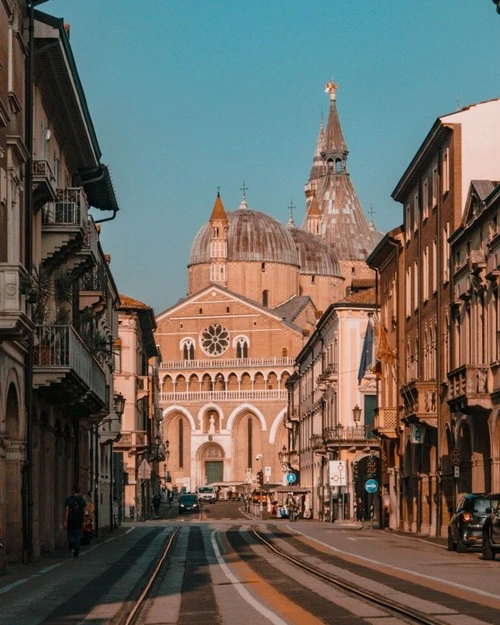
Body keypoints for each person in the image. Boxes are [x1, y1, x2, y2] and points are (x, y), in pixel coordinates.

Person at [64, 485, 86, 558]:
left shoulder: (69, 500)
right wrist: (84, 521)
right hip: (79, 520)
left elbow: (67, 511)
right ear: (79, 491)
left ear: (73, 491)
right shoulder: (82, 500)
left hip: (71, 520)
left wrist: (65, 520)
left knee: (70, 534)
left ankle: (72, 548)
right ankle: (76, 549)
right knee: (77, 535)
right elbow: (84, 511)